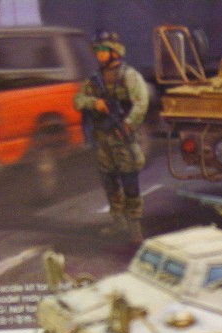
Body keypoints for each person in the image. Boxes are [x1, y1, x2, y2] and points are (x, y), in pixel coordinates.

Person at [74, 31, 149, 243]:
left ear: (114, 51)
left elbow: (141, 103)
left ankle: (134, 226)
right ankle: (118, 221)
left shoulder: (128, 75)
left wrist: (128, 124)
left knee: (130, 181)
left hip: (122, 136)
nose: (99, 54)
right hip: (102, 137)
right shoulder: (94, 80)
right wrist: (94, 103)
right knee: (109, 181)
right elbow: (77, 100)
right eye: (97, 50)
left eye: (103, 50)